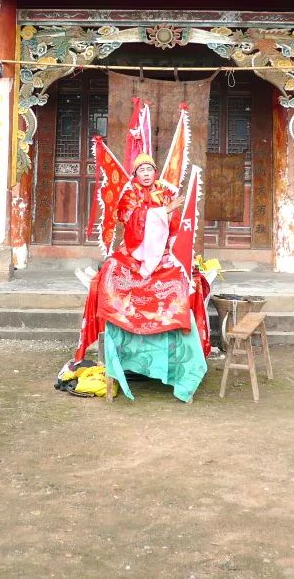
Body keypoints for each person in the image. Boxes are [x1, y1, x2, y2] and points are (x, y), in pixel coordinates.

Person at [77, 152, 209, 402]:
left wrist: (173, 234)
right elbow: (129, 220)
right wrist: (161, 212)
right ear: (135, 174)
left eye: (149, 169)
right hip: (135, 251)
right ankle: (123, 326)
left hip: (163, 251)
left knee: (179, 279)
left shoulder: (165, 192)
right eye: (141, 170)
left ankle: (174, 338)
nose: (146, 174)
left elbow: (176, 226)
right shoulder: (129, 194)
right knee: (112, 272)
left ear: (154, 172)